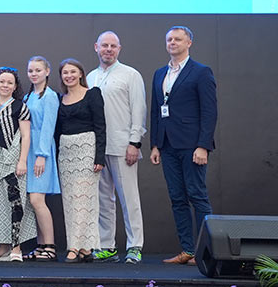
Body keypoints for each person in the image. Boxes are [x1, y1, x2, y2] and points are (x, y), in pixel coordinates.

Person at [150, 26, 217, 265]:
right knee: (177, 198)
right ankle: (187, 250)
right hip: (167, 145)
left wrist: (203, 145)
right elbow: (156, 111)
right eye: (169, 39)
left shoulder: (201, 72)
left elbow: (209, 112)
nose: (172, 42)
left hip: (192, 145)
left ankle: (207, 251)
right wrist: (155, 144)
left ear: (189, 43)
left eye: (178, 39)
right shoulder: (160, 73)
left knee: (197, 195)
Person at [88, 31, 147, 264]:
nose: (108, 49)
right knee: (103, 200)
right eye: (105, 45)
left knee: (129, 199)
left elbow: (139, 109)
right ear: (96, 47)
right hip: (98, 148)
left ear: (119, 49)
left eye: (113, 46)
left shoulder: (131, 74)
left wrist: (134, 142)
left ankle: (135, 246)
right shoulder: (90, 77)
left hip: (123, 146)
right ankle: (107, 246)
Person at [0, 67, 35, 262]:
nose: (5, 85)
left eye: (10, 82)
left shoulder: (20, 107)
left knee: (15, 203)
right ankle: (3, 248)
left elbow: (26, 136)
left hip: (12, 162)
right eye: (2, 81)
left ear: (15, 86)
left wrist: (22, 161)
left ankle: (16, 247)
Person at [55, 58, 106, 263]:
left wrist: (99, 156)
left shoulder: (93, 94)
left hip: (87, 149)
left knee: (83, 199)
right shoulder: (60, 99)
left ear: (81, 74)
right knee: (70, 201)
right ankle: (85, 248)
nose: (69, 76)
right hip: (65, 153)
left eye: (73, 72)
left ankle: (74, 247)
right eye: (65, 72)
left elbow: (101, 126)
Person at [22, 56, 60, 262]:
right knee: (32, 201)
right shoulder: (28, 96)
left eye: (38, 70)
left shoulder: (50, 97)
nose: (34, 74)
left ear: (47, 71)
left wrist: (42, 155)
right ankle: (40, 246)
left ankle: (50, 247)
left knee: (37, 200)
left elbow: (48, 127)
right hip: (27, 151)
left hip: (40, 151)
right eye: (31, 71)